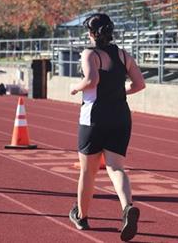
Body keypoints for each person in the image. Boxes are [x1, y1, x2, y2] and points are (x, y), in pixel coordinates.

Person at [69, 13, 145, 241]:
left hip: (94, 118)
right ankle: (126, 207)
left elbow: (92, 80)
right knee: (116, 168)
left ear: (92, 34)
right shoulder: (123, 54)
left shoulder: (89, 53)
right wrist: (121, 92)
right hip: (120, 117)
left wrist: (75, 87)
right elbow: (140, 84)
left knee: (88, 172)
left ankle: (81, 216)